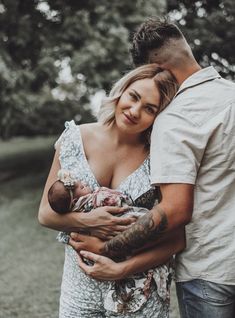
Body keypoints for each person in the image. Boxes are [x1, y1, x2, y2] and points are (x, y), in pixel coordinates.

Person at [76, 17, 235, 318]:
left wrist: (107, 248)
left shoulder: (176, 118)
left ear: (156, 71)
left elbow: (175, 210)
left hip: (210, 274)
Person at [38, 63, 182, 317]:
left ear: (160, 116)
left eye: (150, 108)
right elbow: (45, 214)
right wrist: (89, 221)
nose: (135, 111)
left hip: (139, 295)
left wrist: (122, 269)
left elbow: (176, 238)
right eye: (133, 97)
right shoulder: (75, 138)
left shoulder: (161, 156)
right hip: (79, 288)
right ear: (121, 91)